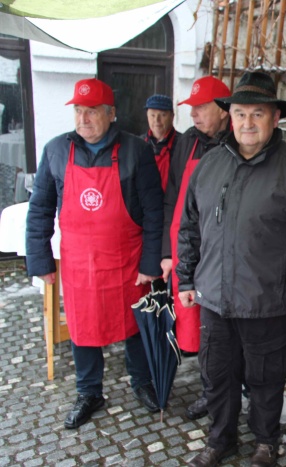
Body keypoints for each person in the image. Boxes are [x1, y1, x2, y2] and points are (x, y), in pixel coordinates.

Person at [177, 71, 286, 467]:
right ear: (230, 117)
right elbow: (190, 225)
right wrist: (186, 277)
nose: (248, 123)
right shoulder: (209, 166)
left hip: (267, 302)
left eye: (258, 114)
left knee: (265, 381)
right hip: (214, 299)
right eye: (240, 114)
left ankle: (265, 443)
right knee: (217, 376)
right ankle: (220, 439)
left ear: (275, 118)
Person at [25, 78, 164, 429]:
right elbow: (40, 208)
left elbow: (153, 211)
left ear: (111, 113)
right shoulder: (56, 150)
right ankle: (89, 391)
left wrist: (151, 263)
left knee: (133, 323)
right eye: (78, 111)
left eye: (92, 112)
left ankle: (142, 381)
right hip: (78, 263)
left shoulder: (135, 150)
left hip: (126, 260)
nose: (84, 119)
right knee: (82, 328)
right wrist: (39, 259)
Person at [160, 75, 232, 421]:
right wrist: (166, 252)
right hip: (188, 246)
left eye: (201, 108)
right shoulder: (187, 142)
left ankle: (229, 388)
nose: (194, 115)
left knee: (223, 328)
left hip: (222, 249)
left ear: (222, 110)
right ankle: (209, 390)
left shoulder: (237, 142)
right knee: (197, 328)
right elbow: (172, 196)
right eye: (192, 108)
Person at [142, 94, 181, 192]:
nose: (156, 120)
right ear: (147, 116)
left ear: (172, 116)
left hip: (173, 202)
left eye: (163, 115)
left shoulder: (184, 143)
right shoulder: (139, 144)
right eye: (152, 115)